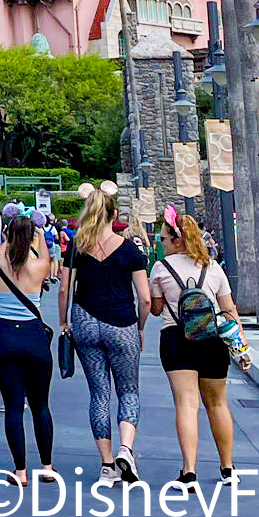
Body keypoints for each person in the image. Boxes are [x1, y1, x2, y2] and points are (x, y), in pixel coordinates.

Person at [60, 184, 148, 484]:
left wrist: (64, 322)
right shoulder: (130, 250)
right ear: (115, 215)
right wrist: (140, 327)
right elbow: (144, 298)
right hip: (121, 323)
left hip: (85, 319)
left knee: (99, 393)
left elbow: (65, 288)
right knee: (128, 390)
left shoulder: (78, 246)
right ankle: (126, 449)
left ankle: (107, 464)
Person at [149, 205, 240, 490]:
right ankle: (227, 468)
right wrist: (241, 346)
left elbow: (156, 309)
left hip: (177, 339)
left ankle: (189, 472)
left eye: (164, 239)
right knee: (218, 403)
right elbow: (229, 310)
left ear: (177, 240)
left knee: (186, 404)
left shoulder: (161, 268)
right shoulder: (212, 267)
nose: (161, 244)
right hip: (212, 340)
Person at [0, 212, 58, 489]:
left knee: (13, 407)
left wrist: (7, 236)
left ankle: (20, 471)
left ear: (7, 234)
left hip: (5, 335)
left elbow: (0, 250)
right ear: (31, 237)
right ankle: (47, 467)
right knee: (41, 406)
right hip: (33, 336)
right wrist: (38, 234)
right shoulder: (39, 266)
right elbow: (46, 255)